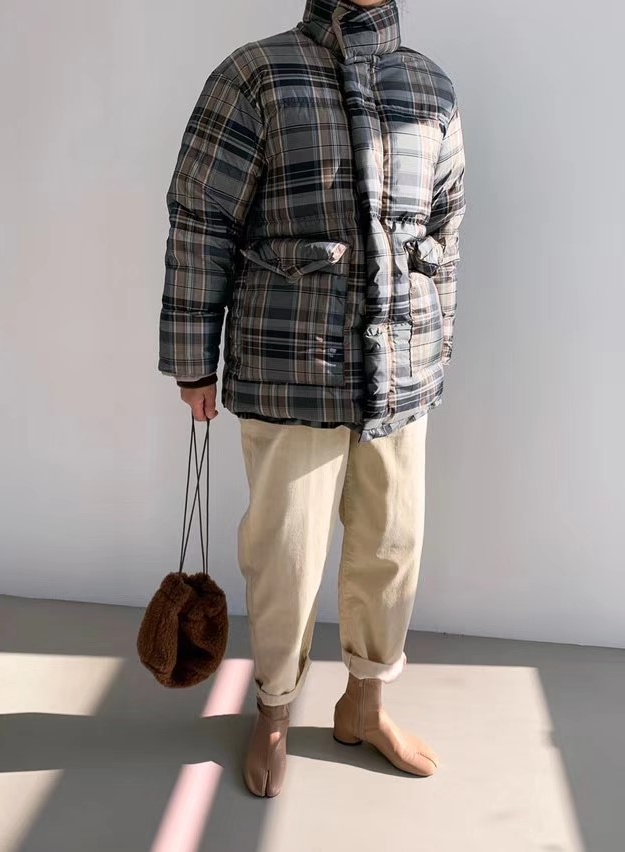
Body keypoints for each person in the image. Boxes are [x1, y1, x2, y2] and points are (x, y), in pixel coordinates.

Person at [158, 0, 466, 797]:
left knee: (393, 545)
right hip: (287, 368)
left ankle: (365, 703)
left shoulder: (430, 87)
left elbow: (445, 228)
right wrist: (193, 361)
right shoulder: (254, 75)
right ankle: (273, 708)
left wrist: (433, 347)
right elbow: (201, 221)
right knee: (285, 556)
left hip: (399, 374)